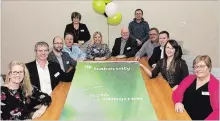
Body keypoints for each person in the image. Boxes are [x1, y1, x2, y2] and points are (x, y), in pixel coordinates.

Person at [172, 55, 219, 120]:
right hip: (181, 114)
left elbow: (217, 112)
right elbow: (177, 92)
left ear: (209, 67)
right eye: (196, 67)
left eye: (202, 66)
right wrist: (178, 102)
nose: (198, 69)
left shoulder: (216, 85)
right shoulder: (189, 78)